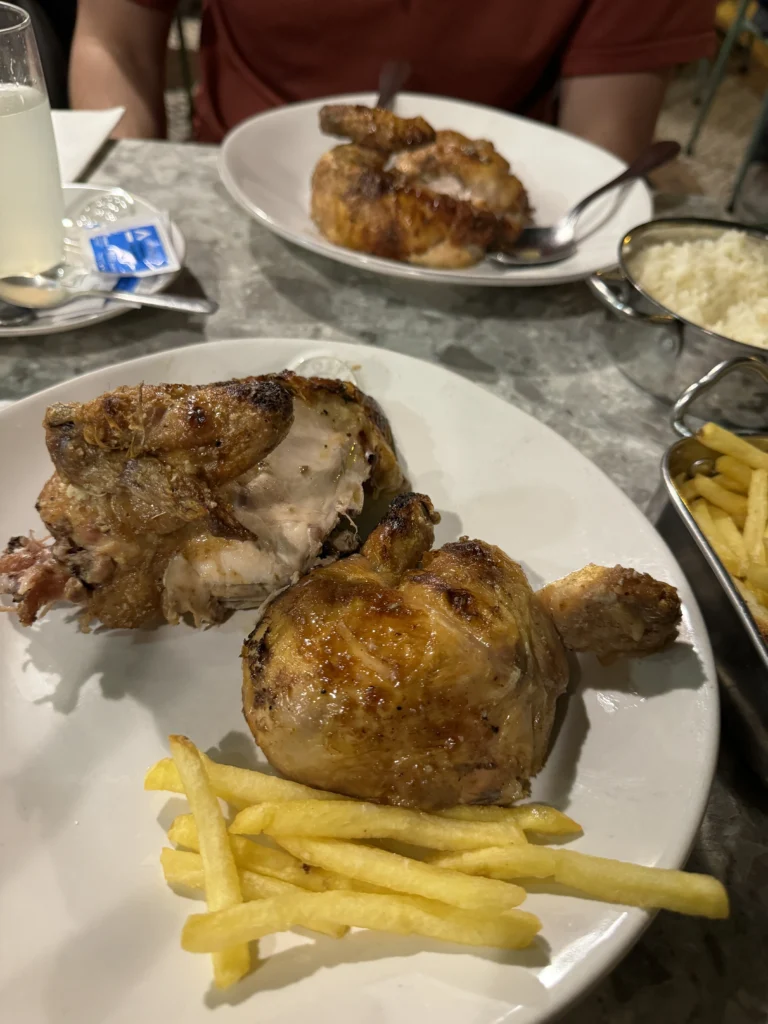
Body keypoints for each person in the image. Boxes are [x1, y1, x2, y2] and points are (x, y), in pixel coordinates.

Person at [70, 0, 716, 162]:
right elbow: (111, 41)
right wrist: (139, 203)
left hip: (492, 234)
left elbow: (600, 153)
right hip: (228, 175)